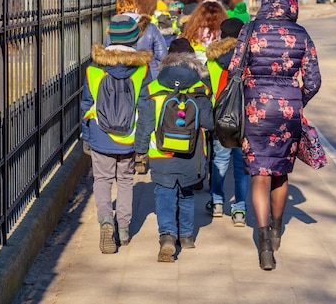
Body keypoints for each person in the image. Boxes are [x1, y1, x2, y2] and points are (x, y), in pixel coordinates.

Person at [228, 0, 321, 270]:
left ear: (266, 0)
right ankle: (278, 231)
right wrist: (296, 99)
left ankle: (264, 243)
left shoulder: (251, 29)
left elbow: (233, 69)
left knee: (260, 175)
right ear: (292, 3)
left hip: (255, 109)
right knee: (279, 173)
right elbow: (314, 81)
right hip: (287, 110)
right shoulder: (302, 34)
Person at [134, 38, 214, 262]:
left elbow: (145, 123)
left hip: (161, 154)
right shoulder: (201, 87)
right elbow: (209, 123)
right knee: (186, 194)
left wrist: (139, 149)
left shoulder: (155, 86)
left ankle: (167, 236)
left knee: (164, 194)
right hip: (192, 154)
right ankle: (187, 236)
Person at [81, 14, 154, 254]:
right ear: (135, 40)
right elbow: (146, 107)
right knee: (125, 180)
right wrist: (143, 142)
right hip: (129, 135)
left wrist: (86, 136)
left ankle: (105, 221)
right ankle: (123, 229)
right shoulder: (141, 69)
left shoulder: (94, 67)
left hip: (100, 132)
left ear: (110, 36)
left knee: (102, 180)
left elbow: (86, 103)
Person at [205, 17, 250, 227]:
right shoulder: (249, 57)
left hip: (220, 118)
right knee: (241, 166)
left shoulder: (213, 60)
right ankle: (240, 209)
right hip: (244, 118)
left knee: (220, 161)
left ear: (221, 35)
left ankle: (216, 202)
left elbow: (206, 91)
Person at [110, 0, 168, 80]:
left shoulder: (113, 29)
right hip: (148, 75)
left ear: (118, 12)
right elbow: (162, 55)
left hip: (121, 79)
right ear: (136, 9)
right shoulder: (150, 28)